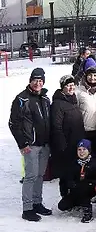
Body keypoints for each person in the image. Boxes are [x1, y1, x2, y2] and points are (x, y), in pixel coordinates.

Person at [10, 68, 52, 221]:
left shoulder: (45, 98)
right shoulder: (22, 99)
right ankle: (27, 208)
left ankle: (37, 202)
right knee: (31, 176)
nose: (38, 83)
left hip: (44, 144)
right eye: (35, 80)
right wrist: (22, 144)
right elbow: (14, 124)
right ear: (30, 81)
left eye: (40, 81)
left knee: (40, 175)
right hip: (31, 145)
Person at [50, 75, 86, 198]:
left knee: (75, 172)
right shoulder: (58, 103)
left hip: (77, 144)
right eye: (68, 85)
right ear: (62, 87)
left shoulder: (73, 99)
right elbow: (56, 126)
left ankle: (75, 197)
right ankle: (66, 198)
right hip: (66, 146)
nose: (71, 88)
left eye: (72, 85)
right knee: (66, 173)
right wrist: (62, 146)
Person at [57, 139, 96, 223]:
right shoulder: (73, 163)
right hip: (75, 189)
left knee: (83, 187)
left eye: (84, 149)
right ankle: (78, 202)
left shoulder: (95, 163)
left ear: (89, 150)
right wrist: (65, 192)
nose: (81, 152)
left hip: (90, 189)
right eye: (79, 149)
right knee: (62, 206)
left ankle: (87, 210)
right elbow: (64, 179)